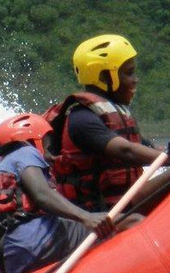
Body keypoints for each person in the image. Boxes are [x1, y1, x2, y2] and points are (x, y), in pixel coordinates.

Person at [0, 113, 136, 273]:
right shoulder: (25, 152)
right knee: (129, 221)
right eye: (47, 147)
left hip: (4, 266)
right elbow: (41, 195)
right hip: (33, 242)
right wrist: (85, 217)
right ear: (32, 141)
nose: (50, 156)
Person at [47, 34, 170, 212]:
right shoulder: (82, 118)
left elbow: (147, 149)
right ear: (104, 77)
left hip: (126, 201)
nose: (136, 79)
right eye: (129, 73)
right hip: (100, 212)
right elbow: (126, 150)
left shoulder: (115, 112)